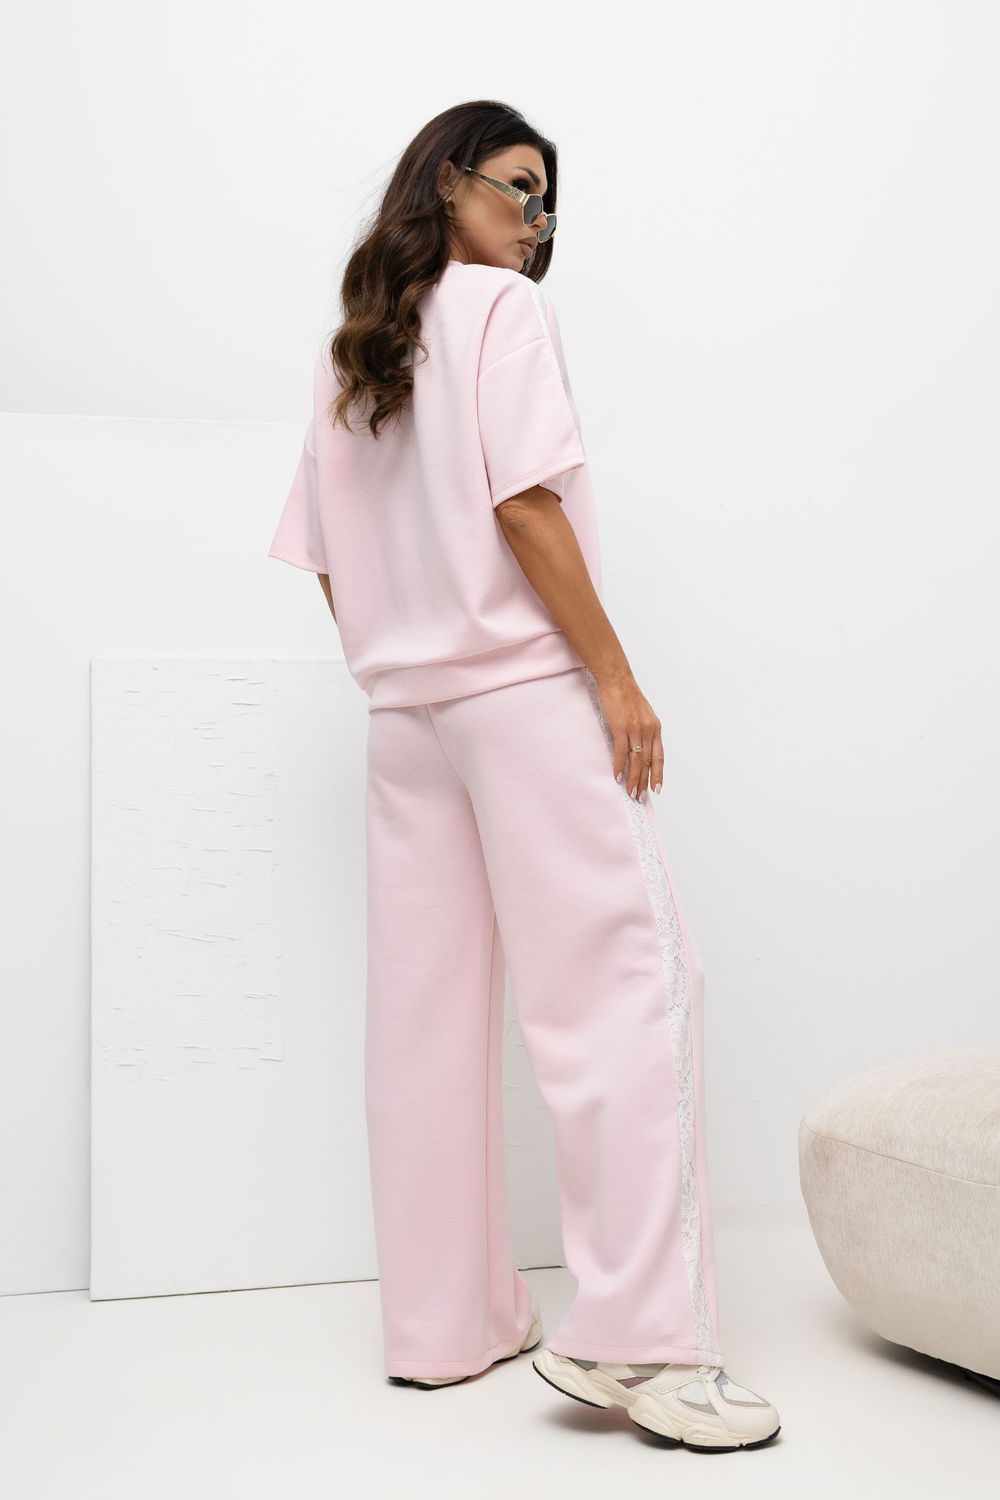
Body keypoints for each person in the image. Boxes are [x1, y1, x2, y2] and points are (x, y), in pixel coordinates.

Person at [267, 99, 780, 1454]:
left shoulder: (353, 353)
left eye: (549, 200)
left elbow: (326, 559)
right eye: (516, 185)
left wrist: (404, 654)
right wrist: (613, 675)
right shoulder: (501, 309)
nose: (535, 220)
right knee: (630, 991)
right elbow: (524, 503)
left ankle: (446, 1327)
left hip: (405, 717)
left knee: (425, 1021)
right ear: (446, 185)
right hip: (516, 696)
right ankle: (645, 1342)